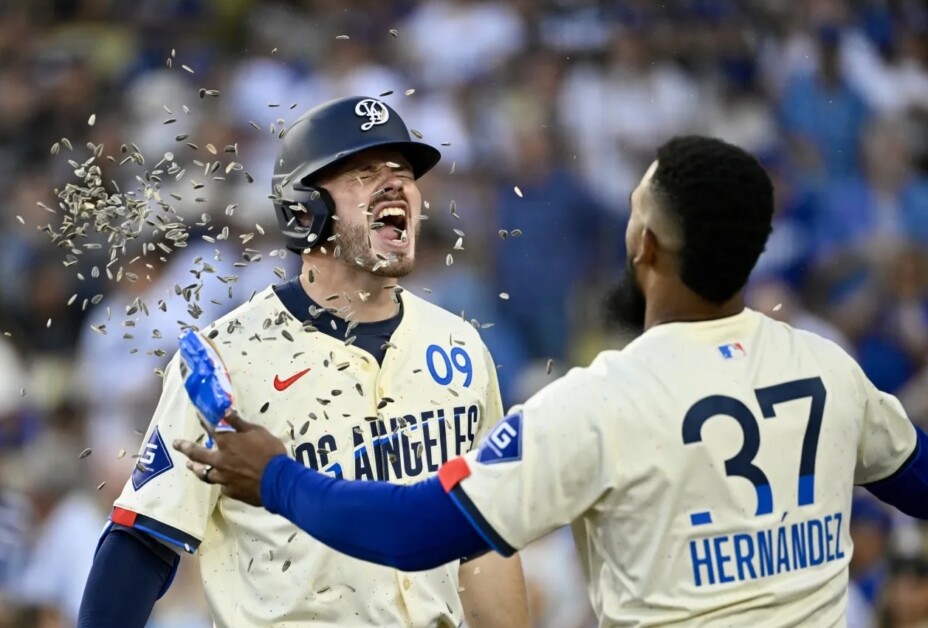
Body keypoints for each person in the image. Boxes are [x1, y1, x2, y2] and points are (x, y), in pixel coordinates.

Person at [175, 136, 928, 626]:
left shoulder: (600, 403)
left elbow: (411, 532)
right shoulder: (829, 368)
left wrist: (275, 478)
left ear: (643, 244)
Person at [78, 96, 528, 628]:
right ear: (303, 209)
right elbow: (144, 539)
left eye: (403, 173)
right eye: (363, 173)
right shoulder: (228, 355)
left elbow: (482, 535)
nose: (395, 185)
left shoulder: (460, 345)